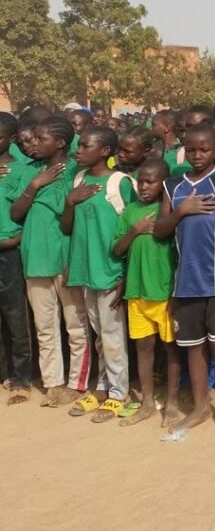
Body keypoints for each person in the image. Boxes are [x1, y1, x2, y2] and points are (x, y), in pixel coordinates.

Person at [154, 122, 215, 436]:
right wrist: (181, 211)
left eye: (204, 149)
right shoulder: (173, 186)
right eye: (190, 149)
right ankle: (201, 406)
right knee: (193, 347)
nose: (197, 154)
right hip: (186, 282)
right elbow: (160, 230)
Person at [8, 115, 90, 408]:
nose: (33, 144)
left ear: (60, 143)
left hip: (65, 257)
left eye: (42, 139)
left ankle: (77, 382)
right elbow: (16, 213)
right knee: (45, 326)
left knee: (75, 324)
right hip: (35, 258)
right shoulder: (30, 171)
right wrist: (35, 184)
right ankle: (53, 382)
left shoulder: (76, 174)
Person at [61, 126, 135, 422]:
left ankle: (120, 392)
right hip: (85, 270)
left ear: (104, 151)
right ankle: (103, 386)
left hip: (110, 271)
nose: (78, 150)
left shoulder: (120, 183)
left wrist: (125, 275)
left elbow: (131, 228)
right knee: (100, 336)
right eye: (78, 145)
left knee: (113, 335)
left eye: (84, 146)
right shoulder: (78, 180)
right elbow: (67, 227)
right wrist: (70, 201)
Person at [111, 157, 181, 427]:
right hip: (137, 292)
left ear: (163, 184)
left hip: (163, 293)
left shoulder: (169, 213)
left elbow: (178, 254)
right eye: (140, 180)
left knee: (171, 349)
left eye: (150, 181)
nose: (143, 186)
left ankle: (173, 402)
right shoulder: (130, 212)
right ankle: (148, 402)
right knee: (143, 347)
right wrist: (134, 231)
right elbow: (117, 249)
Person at [0, 113, 33, 404]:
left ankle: (22, 377)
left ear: (11, 140)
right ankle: (4, 373)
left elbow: (30, 215)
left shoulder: (23, 170)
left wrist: (16, 239)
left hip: (10, 251)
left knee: (15, 316)